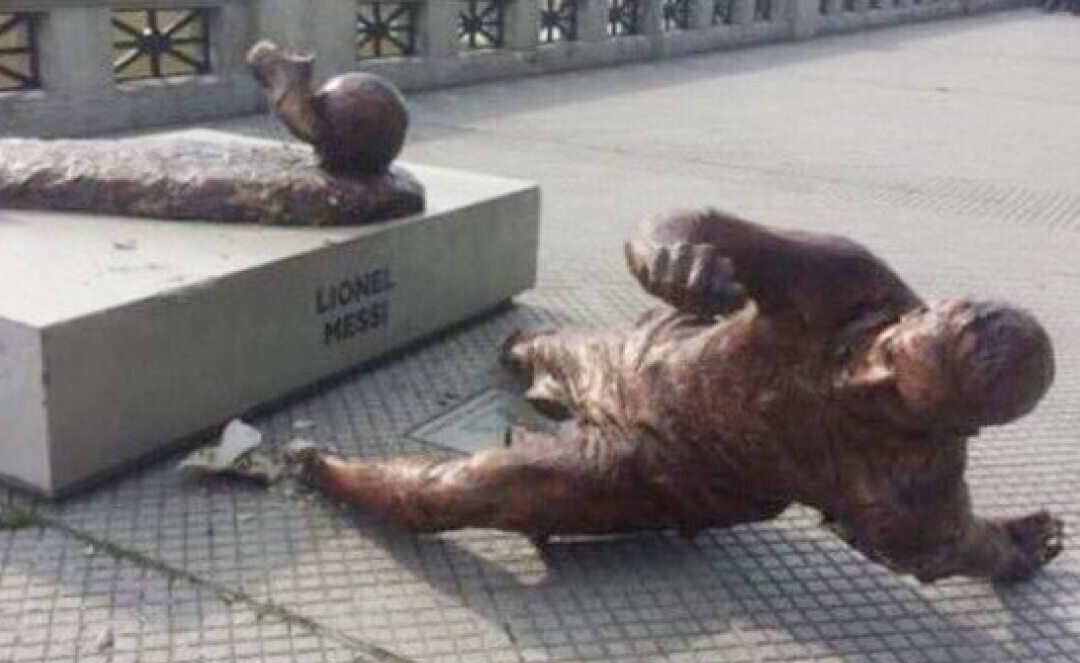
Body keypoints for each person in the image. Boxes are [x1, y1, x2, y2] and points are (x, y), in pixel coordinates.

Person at [297, 209, 1063, 584]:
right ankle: (550, 362)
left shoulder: (909, 491)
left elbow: (953, 545)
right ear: (919, 310)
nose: (863, 376)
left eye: (899, 396)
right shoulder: (848, 281)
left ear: (957, 427)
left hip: (661, 473)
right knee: (522, 352)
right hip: (646, 355)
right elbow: (692, 222)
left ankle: (324, 469)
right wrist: (661, 253)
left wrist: (1005, 550)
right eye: (890, 348)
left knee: (472, 490)